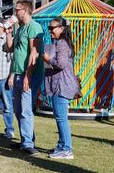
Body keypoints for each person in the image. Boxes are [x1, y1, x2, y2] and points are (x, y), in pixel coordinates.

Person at [5, 0, 44, 156]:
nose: (15, 12)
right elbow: (9, 48)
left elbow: (34, 53)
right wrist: (8, 32)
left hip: (30, 74)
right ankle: (26, 140)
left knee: (26, 110)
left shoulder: (34, 27)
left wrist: (28, 75)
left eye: (17, 9)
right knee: (18, 109)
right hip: (19, 73)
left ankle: (28, 143)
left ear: (26, 10)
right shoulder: (20, 28)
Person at [43, 17, 79, 159]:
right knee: (59, 118)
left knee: (61, 119)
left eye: (52, 28)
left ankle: (67, 150)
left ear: (62, 28)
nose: (50, 31)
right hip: (60, 85)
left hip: (62, 86)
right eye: (49, 28)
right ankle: (61, 145)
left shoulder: (62, 44)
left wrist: (47, 59)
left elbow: (61, 64)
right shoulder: (59, 42)